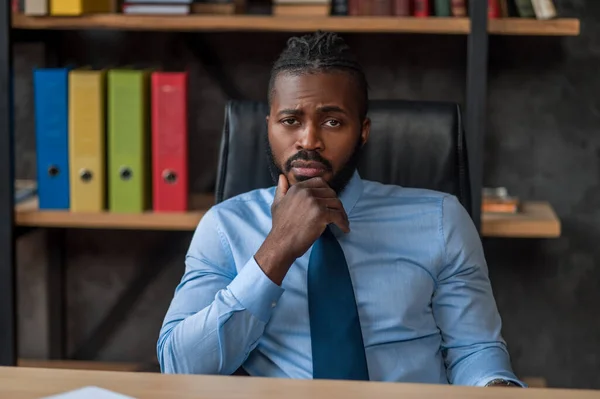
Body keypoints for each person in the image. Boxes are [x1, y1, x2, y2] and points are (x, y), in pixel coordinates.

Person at [157, 31, 524, 387]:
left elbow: (475, 350)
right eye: (290, 121)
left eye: (333, 122)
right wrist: (277, 249)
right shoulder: (225, 226)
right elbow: (180, 365)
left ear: (362, 131)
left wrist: (495, 387)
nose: (309, 140)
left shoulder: (442, 220)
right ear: (268, 126)